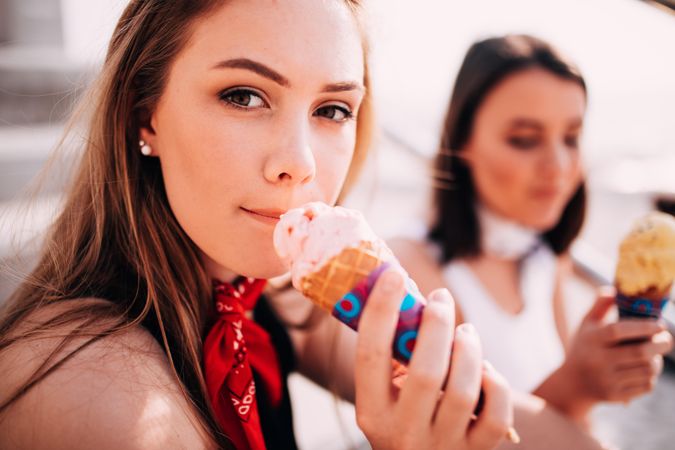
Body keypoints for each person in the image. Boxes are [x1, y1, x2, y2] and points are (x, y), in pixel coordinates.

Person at [0, 1, 514, 449]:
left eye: (332, 109)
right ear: (144, 115)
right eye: (244, 96)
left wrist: (573, 388)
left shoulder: (269, 298)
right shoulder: (91, 385)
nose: (299, 162)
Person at [390, 34, 673, 429]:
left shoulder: (544, 254)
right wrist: (579, 384)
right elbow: (456, 437)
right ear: (462, 142)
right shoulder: (410, 269)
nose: (558, 166)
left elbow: (578, 425)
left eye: (571, 137)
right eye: (524, 140)